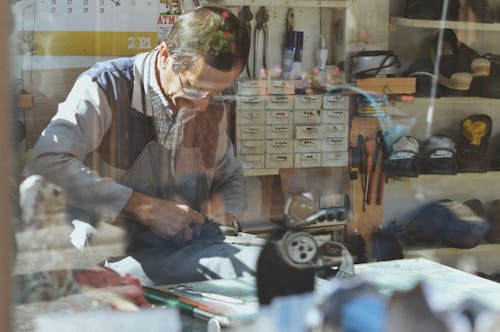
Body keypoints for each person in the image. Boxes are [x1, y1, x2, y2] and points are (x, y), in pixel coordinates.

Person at [23, 6, 261, 285]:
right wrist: (143, 206)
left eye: (217, 92)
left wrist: (222, 213)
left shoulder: (210, 108)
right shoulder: (106, 87)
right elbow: (45, 164)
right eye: (195, 89)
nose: (203, 104)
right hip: (107, 255)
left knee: (267, 265)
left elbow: (230, 177)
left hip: (178, 252)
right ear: (164, 57)